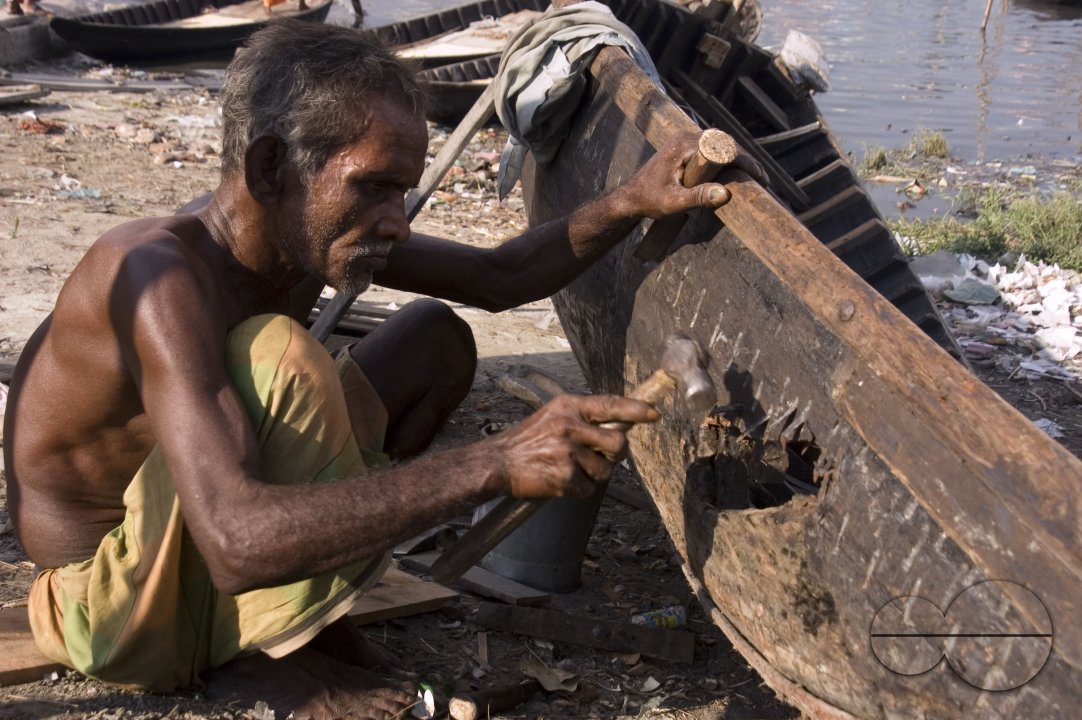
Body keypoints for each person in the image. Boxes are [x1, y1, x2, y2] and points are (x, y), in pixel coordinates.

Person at [3, 19, 734, 720]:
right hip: (115, 603)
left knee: (433, 339)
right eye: (375, 187)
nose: (398, 221)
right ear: (270, 168)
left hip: (208, 526)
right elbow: (234, 540)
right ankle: (255, 651)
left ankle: (304, 612)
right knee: (283, 355)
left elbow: (500, 276)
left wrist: (631, 201)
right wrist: (496, 463)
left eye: (402, 191)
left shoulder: (294, 232)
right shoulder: (158, 276)